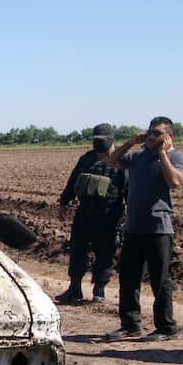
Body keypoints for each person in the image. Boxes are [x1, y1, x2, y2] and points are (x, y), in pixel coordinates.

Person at [104, 116, 183, 341]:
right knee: (128, 278)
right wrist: (132, 141)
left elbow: (175, 182)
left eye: (157, 133)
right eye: (149, 132)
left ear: (169, 136)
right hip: (134, 227)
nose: (151, 136)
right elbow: (111, 161)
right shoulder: (138, 156)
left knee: (160, 280)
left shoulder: (175, 156)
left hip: (159, 228)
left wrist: (162, 154)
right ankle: (130, 325)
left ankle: (166, 328)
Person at [54, 123, 127, 304]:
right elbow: (72, 182)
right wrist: (64, 203)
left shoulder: (122, 161)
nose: (98, 143)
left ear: (111, 139)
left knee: (105, 254)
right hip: (84, 213)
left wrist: (129, 216)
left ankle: (99, 290)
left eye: (101, 140)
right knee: (77, 251)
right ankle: (74, 289)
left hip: (109, 216)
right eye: (95, 140)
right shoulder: (86, 159)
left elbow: (130, 189)